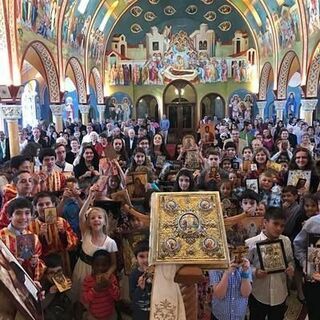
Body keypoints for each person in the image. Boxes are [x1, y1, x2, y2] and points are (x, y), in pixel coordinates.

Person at [72, 185, 117, 305]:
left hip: (100, 273)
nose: (96, 220)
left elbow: (113, 263)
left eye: (99, 217)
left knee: (96, 299)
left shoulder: (110, 242)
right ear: (89, 222)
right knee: (80, 294)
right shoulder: (86, 234)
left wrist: (107, 275)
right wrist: (90, 197)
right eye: (92, 218)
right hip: (82, 269)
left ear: (104, 221)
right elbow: (81, 216)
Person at [246, 208, 294, 320]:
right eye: (275, 224)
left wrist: (291, 267)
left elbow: (290, 259)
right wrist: (254, 271)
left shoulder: (286, 241)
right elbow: (245, 266)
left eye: (282, 226)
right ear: (265, 222)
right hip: (259, 293)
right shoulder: (251, 243)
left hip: (280, 292)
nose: (279, 228)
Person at [28, 192, 78, 275]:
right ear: (35, 208)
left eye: (48, 204)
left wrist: (63, 233)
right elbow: (29, 253)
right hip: (42, 265)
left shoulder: (62, 221)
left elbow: (74, 244)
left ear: (54, 204)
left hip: (62, 261)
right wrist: (40, 237)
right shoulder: (30, 226)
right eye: (40, 205)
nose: (44, 207)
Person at [0, 198, 45, 281]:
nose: (23, 217)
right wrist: (12, 266)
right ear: (9, 216)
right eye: (18, 213)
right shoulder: (1, 238)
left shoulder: (34, 238)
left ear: (31, 216)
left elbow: (39, 264)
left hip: (27, 286)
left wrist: (34, 263)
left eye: (27, 213)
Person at [294, 214, 320, 320]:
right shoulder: (312, 223)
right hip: (315, 278)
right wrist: (305, 263)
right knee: (315, 312)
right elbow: (298, 245)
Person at [82, 250, 120, 320]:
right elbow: (85, 299)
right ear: (92, 266)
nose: (100, 268)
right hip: (93, 316)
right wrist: (94, 290)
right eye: (97, 265)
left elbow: (117, 297)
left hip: (110, 315)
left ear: (109, 266)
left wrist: (110, 285)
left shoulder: (112, 278)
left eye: (104, 265)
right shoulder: (87, 280)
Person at [41, 254, 73, 320]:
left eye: (59, 271)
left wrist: (68, 289)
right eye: (52, 273)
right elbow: (40, 307)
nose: (56, 275)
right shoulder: (42, 285)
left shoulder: (64, 279)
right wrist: (50, 293)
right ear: (45, 274)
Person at [129, 240, 152, 320]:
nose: (146, 260)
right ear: (136, 258)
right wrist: (140, 288)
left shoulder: (158, 274)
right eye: (141, 256)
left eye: (149, 256)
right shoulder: (133, 275)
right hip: (140, 315)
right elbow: (133, 298)